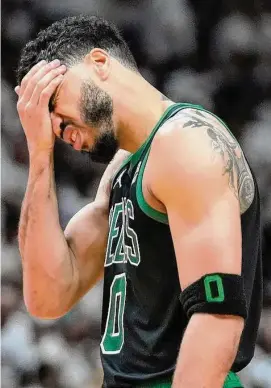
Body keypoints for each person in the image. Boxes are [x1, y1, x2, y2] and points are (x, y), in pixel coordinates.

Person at [15, 15, 262, 388]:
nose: (54, 126)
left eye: (52, 99)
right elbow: (47, 296)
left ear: (99, 64)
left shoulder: (186, 140)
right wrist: (39, 154)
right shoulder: (123, 168)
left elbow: (217, 316)